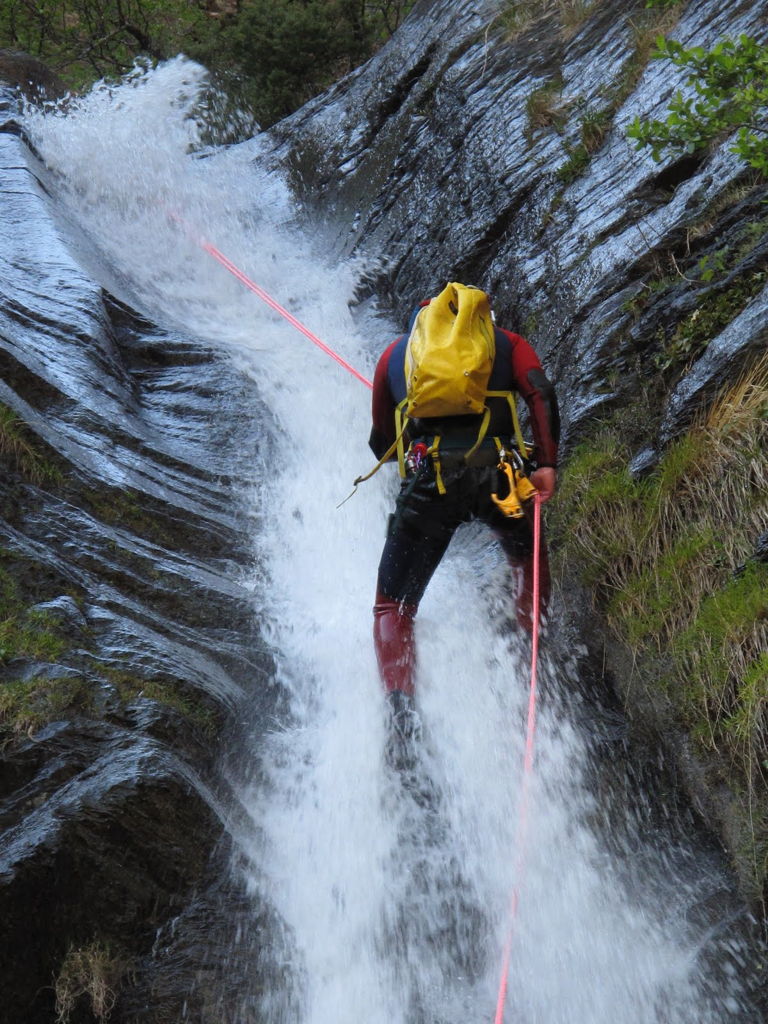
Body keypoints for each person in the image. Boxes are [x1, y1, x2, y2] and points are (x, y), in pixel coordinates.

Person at [368, 283, 560, 738]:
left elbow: (382, 444)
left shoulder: (396, 358)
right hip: (499, 478)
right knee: (527, 562)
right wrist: (547, 464)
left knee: (391, 606)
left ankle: (401, 712)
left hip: (430, 484)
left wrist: (416, 431)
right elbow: (540, 394)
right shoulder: (507, 344)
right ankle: (533, 664)